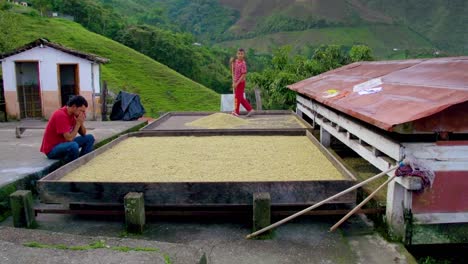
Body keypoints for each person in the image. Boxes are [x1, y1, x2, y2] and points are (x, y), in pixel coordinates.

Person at [40, 95, 95, 163]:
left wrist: (81, 122)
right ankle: (74, 166)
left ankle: (83, 162)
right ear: (74, 107)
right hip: (52, 149)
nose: (83, 113)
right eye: (81, 110)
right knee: (74, 145)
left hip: (65, 143)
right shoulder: (61, 115)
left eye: (84, 111)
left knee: (89, 138)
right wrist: (78, 124)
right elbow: (69, 138)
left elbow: (83, 133)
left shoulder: (74, 115)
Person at [230, 48, 254, 117]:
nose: (240, 55)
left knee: (237, 97)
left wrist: (237, 83)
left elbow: (243, 75)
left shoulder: (243, 63)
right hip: (236, 82)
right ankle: (250, 109)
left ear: (244, 55)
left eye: (241, 54)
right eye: (239, 54)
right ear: (236, 54)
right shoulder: (236, 61)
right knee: (241, 98)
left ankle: (236, 112)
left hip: (241, 83)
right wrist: (231, 62)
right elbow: (234, 70)